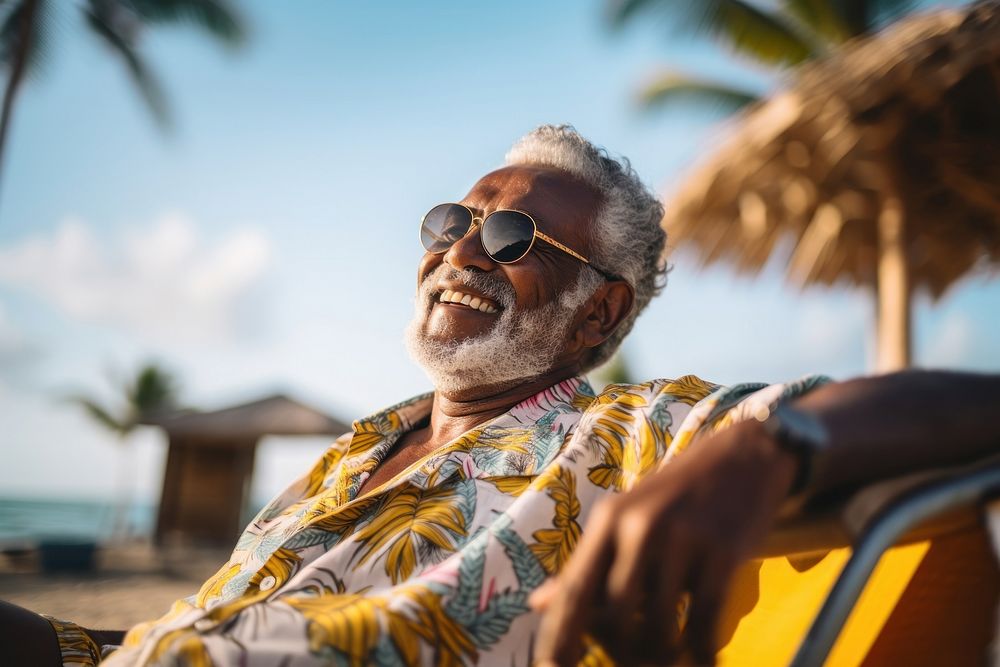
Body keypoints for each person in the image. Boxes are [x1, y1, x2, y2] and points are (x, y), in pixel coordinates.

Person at [3, 125, 998, 666]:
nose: (458, 253)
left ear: (597, 315)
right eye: (451, 222)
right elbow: (196, 632)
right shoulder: (349, 453)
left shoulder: (618, 433)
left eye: (513, 239)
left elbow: (968, 400)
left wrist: (769, 447)